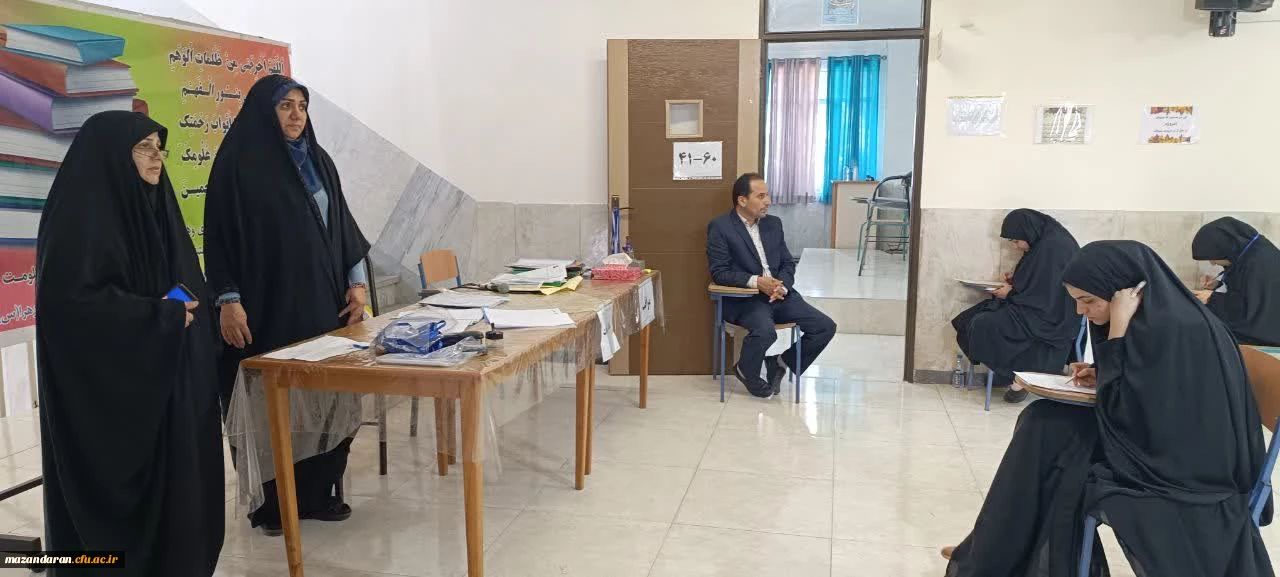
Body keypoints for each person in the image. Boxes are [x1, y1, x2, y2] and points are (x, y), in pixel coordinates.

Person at [942, 240, 1274, 577]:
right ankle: (989, 549)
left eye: (1088, 301)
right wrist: (1102, 371)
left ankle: (990, 553)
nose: (1080, 312)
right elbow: (1143, 394)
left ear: (1126, 294)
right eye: (1075, 301)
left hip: (1177, 465)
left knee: (1046, 435)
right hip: (1149, 441)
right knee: (1040, 419)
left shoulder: (1182, 331)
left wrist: (1116, 333)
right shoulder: (1158, 321)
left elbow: (1129, 414)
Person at [35, 111, 223, 576]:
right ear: (113, 156)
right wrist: (159, 316)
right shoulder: (79, 219)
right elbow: (71, 309)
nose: (157, 158)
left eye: (159, 147)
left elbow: (185, 281)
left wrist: (181, 313)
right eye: (144, 148)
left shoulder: (158, 207)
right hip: (115, 400)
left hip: (168, 383)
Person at [205, 74, 370, 535]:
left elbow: (344, 227)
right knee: (270, 404)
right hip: (266, 309)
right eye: (285, 106)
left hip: (321, 307)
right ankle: (273, 504)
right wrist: (228, 299)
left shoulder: (319, 160)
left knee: (325, 398)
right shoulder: (237, 164)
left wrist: (357, 284)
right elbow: (218, 237)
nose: (296, 115)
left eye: (302, 105)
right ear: (265, 111)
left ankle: (317, 493)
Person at [706, 173, 837, 398]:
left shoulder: (773, 224)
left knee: (825, 327)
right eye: (761, 196)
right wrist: (758, 282)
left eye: (767, 195)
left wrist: (781, 286)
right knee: (765, 332)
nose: (768, 201)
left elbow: (787, 262)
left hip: (780, 295)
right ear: (742, 200)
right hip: (746, 299)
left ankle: (780, 362)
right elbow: (720, 273)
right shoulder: (720, 227)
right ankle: (746, 370)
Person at [951, 209, 1082, 403]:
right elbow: (1039, 282)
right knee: (972, 318)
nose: (1016, 246)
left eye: (1016, 241)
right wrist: (1016, 280)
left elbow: (1046, 296)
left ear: (1027, 231)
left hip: (1051, 318)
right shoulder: (1045, 242)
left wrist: (1010, 293)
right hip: (1037, 310)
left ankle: (1017, 377)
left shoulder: (1053, 247)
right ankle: (1015, 376)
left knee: (984, 323)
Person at [1191, 216, 1280, 346]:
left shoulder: (1260, 264)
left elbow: (1253, 312)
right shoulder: (1248, 255)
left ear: (1224, 248)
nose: (1213, 263)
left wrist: (1212, 298)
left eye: (1213, 258)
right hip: (1259, 327)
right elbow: (1247, 291)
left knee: (1202, 333)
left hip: (1267, 335)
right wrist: (1218, 285)